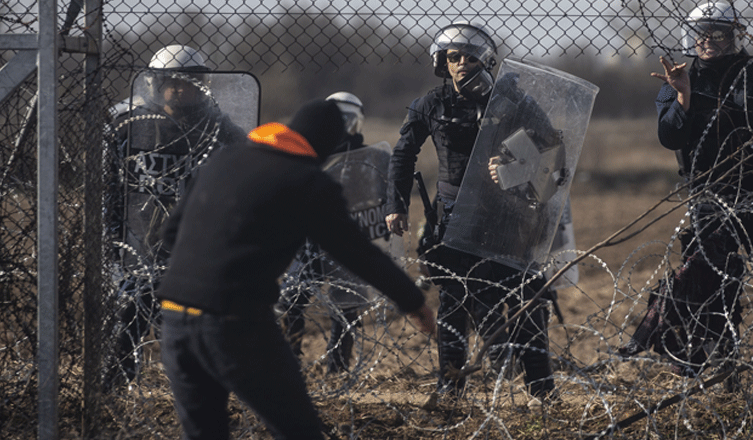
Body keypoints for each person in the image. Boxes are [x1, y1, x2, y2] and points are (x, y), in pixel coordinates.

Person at [157, 99, 435, 440]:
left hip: (173, 317)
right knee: (299, 431)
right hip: (234, 322)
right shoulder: (307, 182)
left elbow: (170, 234)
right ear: (325, 147)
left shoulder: (224, 160)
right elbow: (357, 252)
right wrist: (413, 302)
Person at [619, 1, 753, 381]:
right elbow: (670, 137)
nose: (708, 41)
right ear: (692, 37)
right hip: (709, 197)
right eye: (702, 34)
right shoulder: (679, 79)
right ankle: (723, 366)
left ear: (733, 36)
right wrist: (683, 95)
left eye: (718, 33)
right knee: (713, 281)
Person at [385, 20, 556, 403]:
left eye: (469, 56)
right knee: (453, 305)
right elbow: (403, 154)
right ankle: (450, 388)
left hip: (508, 217)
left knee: (526, 298)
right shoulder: (432, 103)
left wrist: (515, 168)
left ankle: (543, 392)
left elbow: (552, 152)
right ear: (442, 63)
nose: (461, 63)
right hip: (453, 217)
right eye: (452, 57)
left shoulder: (513, 101)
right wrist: (395, 206)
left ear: (486, 60)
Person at [103, 44, 249, 389]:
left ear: (203, 84)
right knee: (130, 317)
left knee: (189, 327)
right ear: (154, 83)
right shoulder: (129, 125)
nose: (178, 89)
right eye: (170, 82)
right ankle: (114, 386)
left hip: (196, 246)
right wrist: (111, 235)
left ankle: (194, 388)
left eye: (188, 82)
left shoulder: (222, 131)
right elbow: (108, 184)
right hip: (139, 241)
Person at [276, 91, 395, 373]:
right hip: (309, 241)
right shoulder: (308, 154)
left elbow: (384, 195)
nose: (342, 127)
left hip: (350, 239)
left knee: (346, 306)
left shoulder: (373, 157)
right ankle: (287, 360)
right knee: (292, 298)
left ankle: (338, 367)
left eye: (348, 120)